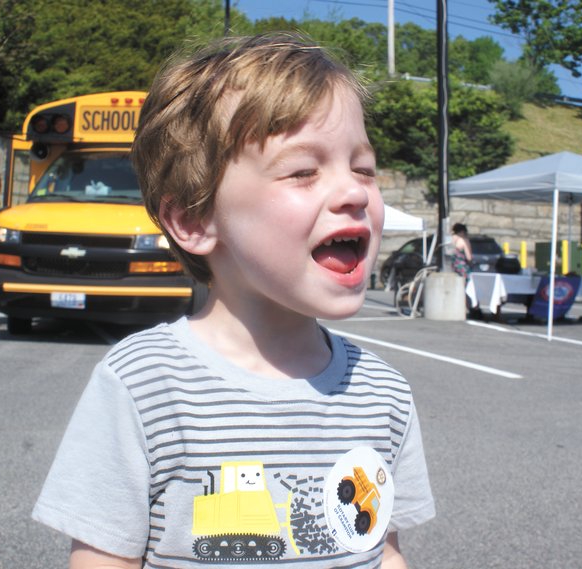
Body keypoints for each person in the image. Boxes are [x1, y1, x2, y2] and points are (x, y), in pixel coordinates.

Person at [32, 34, 435, 568]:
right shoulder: (143, 385)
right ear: (194, 220)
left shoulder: (382, 394)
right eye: (303, 171)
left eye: (363, 167)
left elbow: (384, 552)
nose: (356, 192)